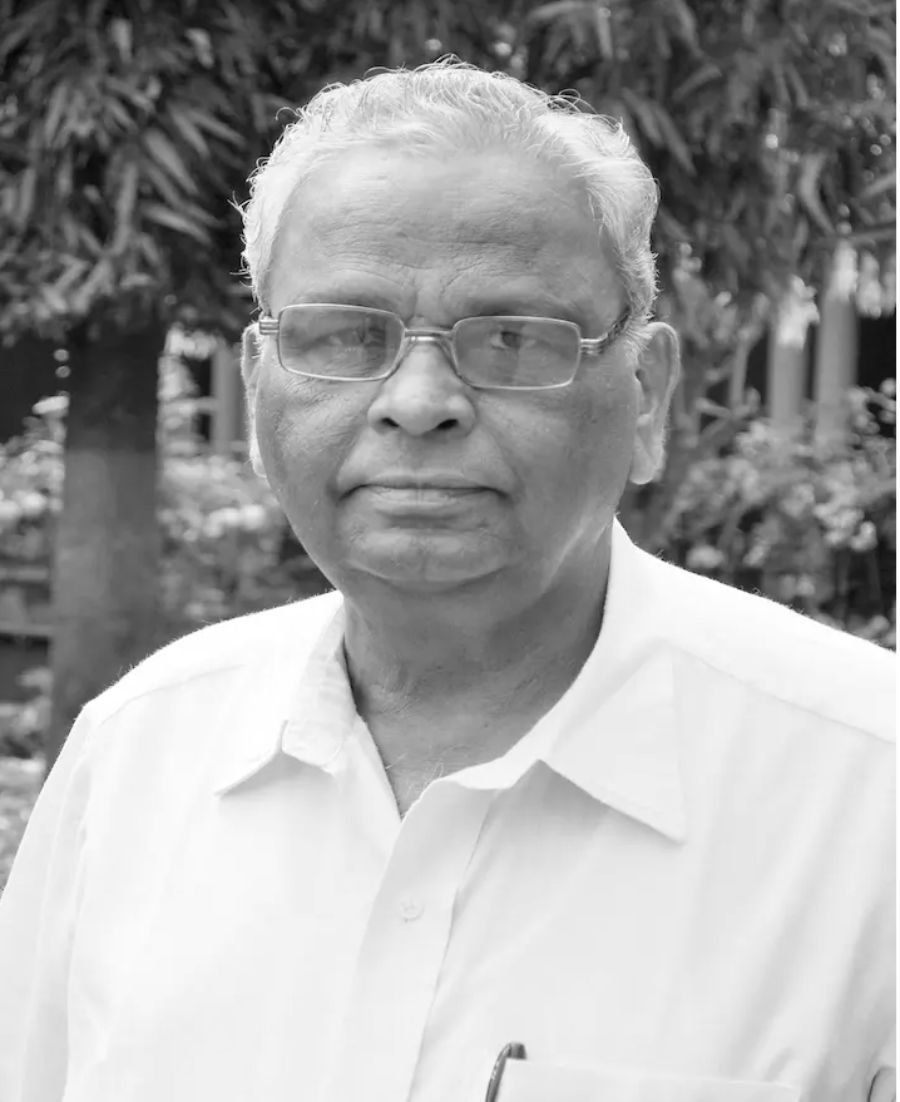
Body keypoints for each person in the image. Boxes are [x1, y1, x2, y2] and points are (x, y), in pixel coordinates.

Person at [0, 60, 893, 1102]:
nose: (418, 402)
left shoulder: (867, 795)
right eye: (345, 336)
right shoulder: (138, 756)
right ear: (255, 391)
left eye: (512, 339)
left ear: (646, 396)